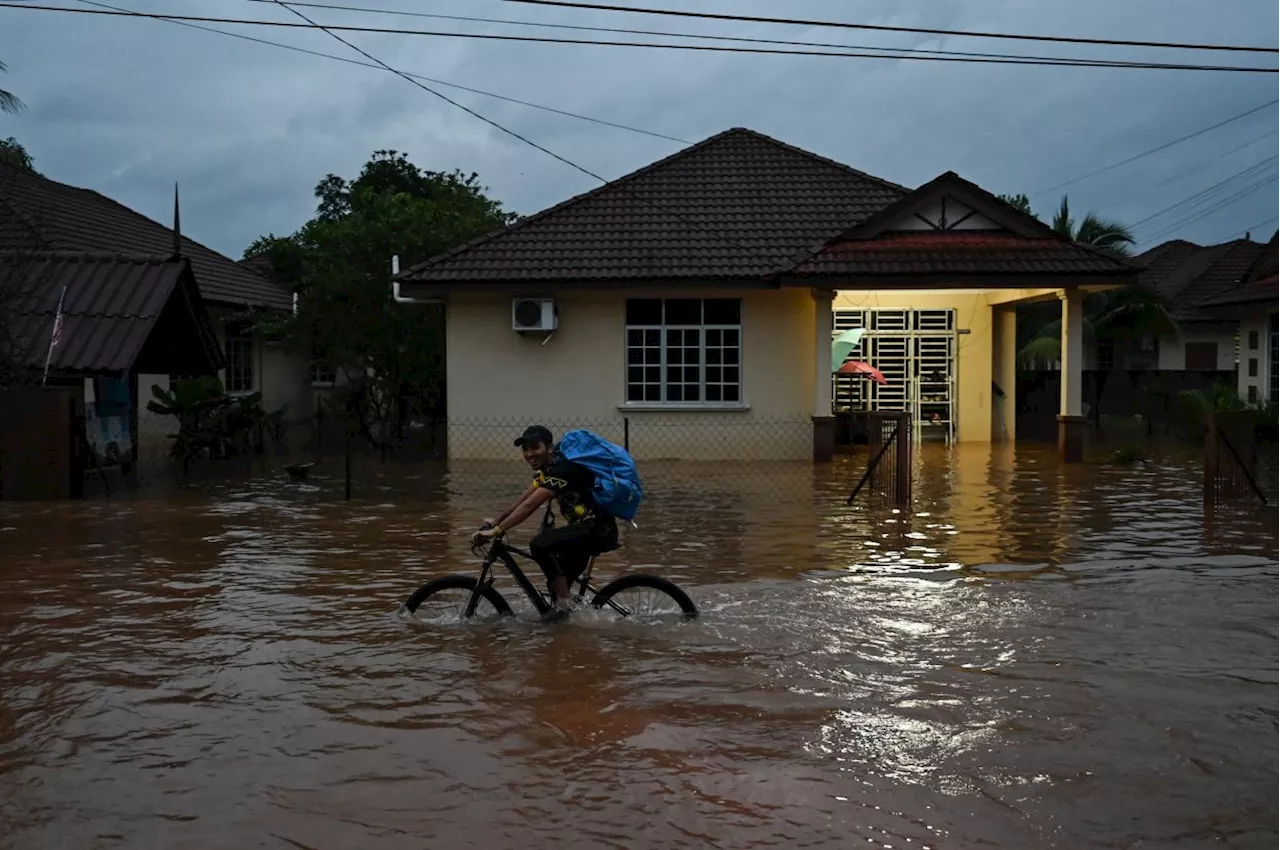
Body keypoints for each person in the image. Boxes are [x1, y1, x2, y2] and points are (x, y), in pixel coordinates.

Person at [472, 424, 619, 619]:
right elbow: (523, 500)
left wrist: (498, 530)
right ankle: (569, 625)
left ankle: (566, 610)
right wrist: (496, 521)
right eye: (525, 449)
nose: (529, 454)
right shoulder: (548, 471)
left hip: (597, 530)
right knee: (554, 581)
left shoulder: (562, 469)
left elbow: (530, 506)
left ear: (549, 448)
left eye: (535, 447)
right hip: (585, 529)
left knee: (540, 544)